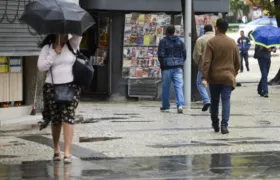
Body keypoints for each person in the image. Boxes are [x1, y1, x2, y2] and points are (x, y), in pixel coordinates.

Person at [37, 34, 82, 163]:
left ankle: (67, 151)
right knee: (56, 119)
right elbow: (41, 67)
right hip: (52, 87)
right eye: (60, 32)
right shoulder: (47, 48)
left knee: (68, 117)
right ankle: (56, 148)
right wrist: (54, 54)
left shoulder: (72, 44)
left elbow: (79, 33)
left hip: (70, 86)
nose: (63, 35)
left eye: (65, 32)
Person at [202, 19, 240, 134]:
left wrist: (204, 77)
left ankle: (215, 123)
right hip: (228, 77)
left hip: (214, 77)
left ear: (217, 28)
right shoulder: (232, 42)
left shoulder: (211, 42)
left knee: (214, 101)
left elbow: (207, 62)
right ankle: (224, 125)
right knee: (226, 101)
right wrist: (234, 73)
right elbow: (237, 61)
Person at [158, 25, 186, 113]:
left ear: (166, 32)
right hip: (178, 67)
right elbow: (184, 54)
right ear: (174, 32)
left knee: (166, 87)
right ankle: (180, 105)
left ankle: (166, 106)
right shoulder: (180, 42)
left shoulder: (163, 41)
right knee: (179, 86)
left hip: (167, 67)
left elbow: (160, 54)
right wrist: (181, 63)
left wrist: (162, 64)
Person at [193, 24, 214, 112]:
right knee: (213, 84)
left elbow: (197, 54)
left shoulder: (200, 39)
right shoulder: (216, 38)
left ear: (204, 30)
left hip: (204, 66)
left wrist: (198, 63)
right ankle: (213, 101)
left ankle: (206, 100)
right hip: (216, 66)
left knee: (200, 83)